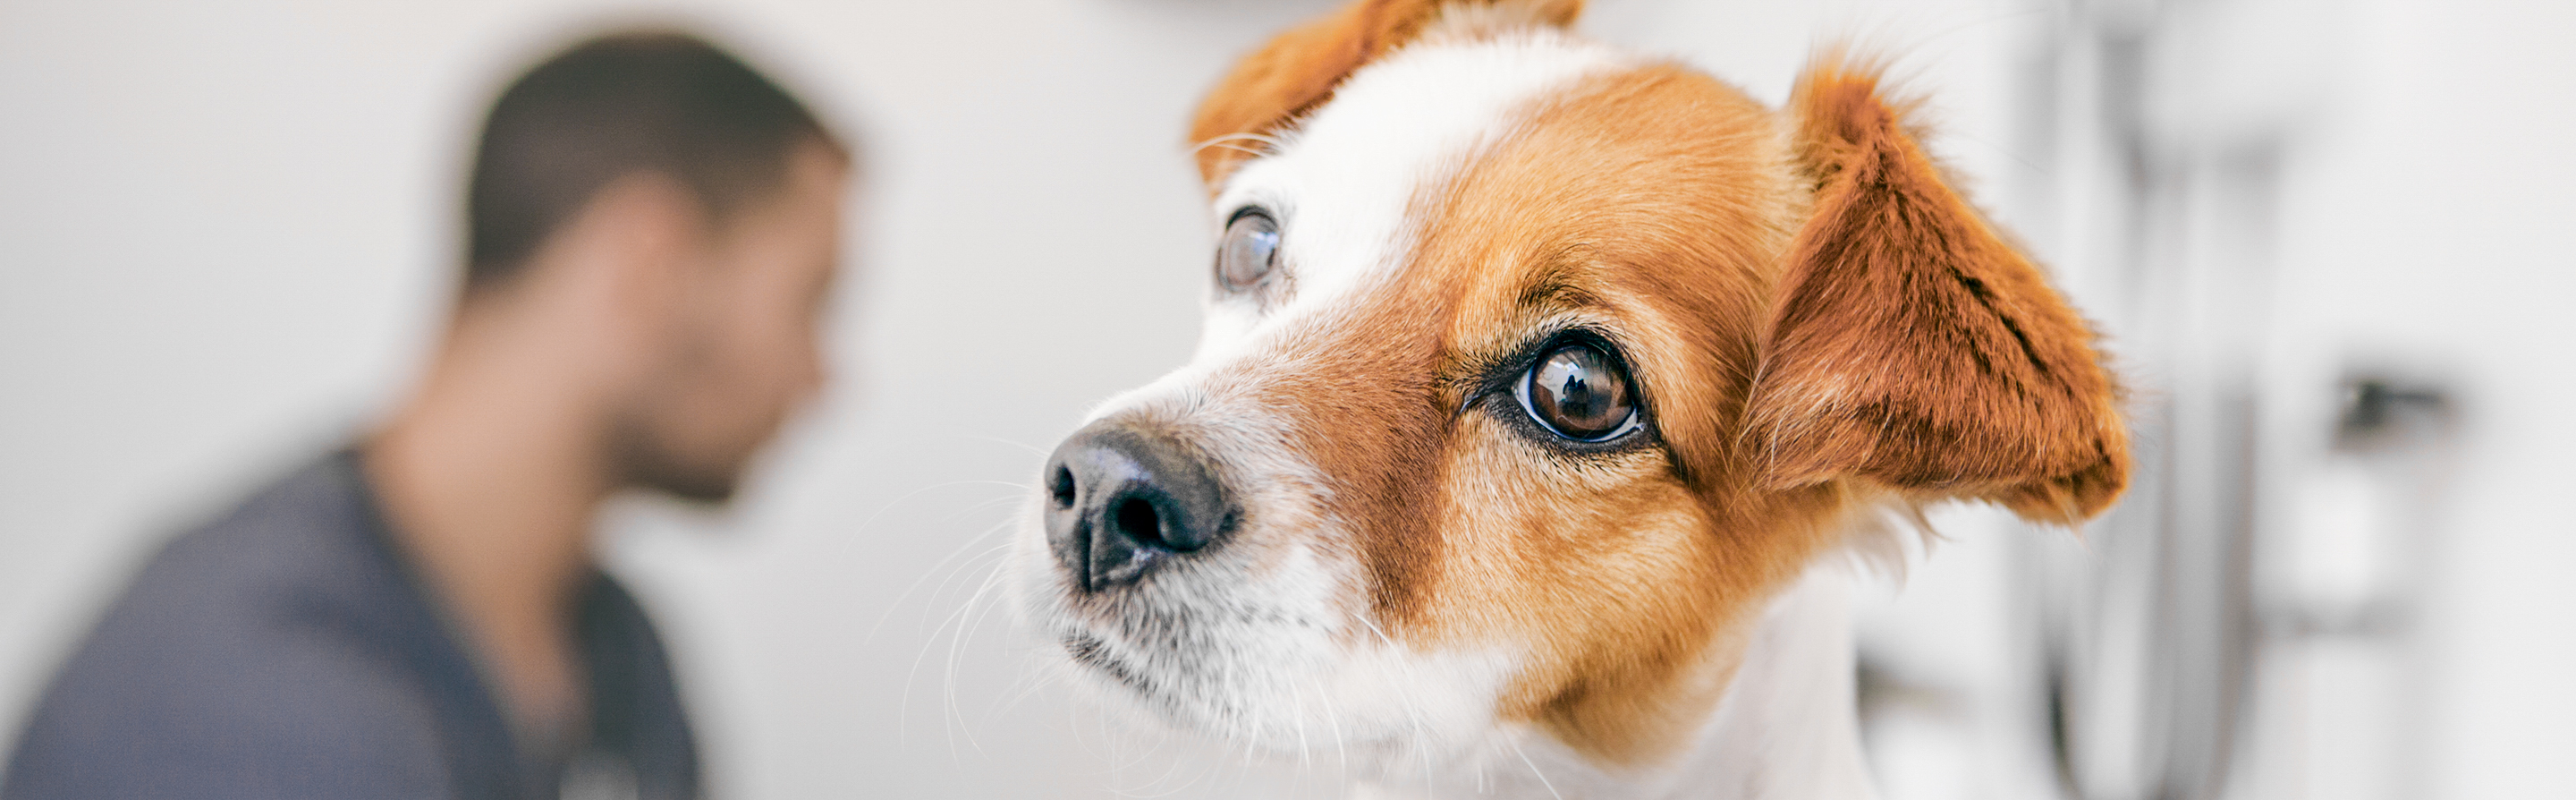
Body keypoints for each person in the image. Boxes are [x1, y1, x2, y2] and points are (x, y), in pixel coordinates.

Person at [2, 30, 850, 800]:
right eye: (808, 302)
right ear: (647, 266)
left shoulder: (620, 664)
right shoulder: (253, 689)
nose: (820, 379)